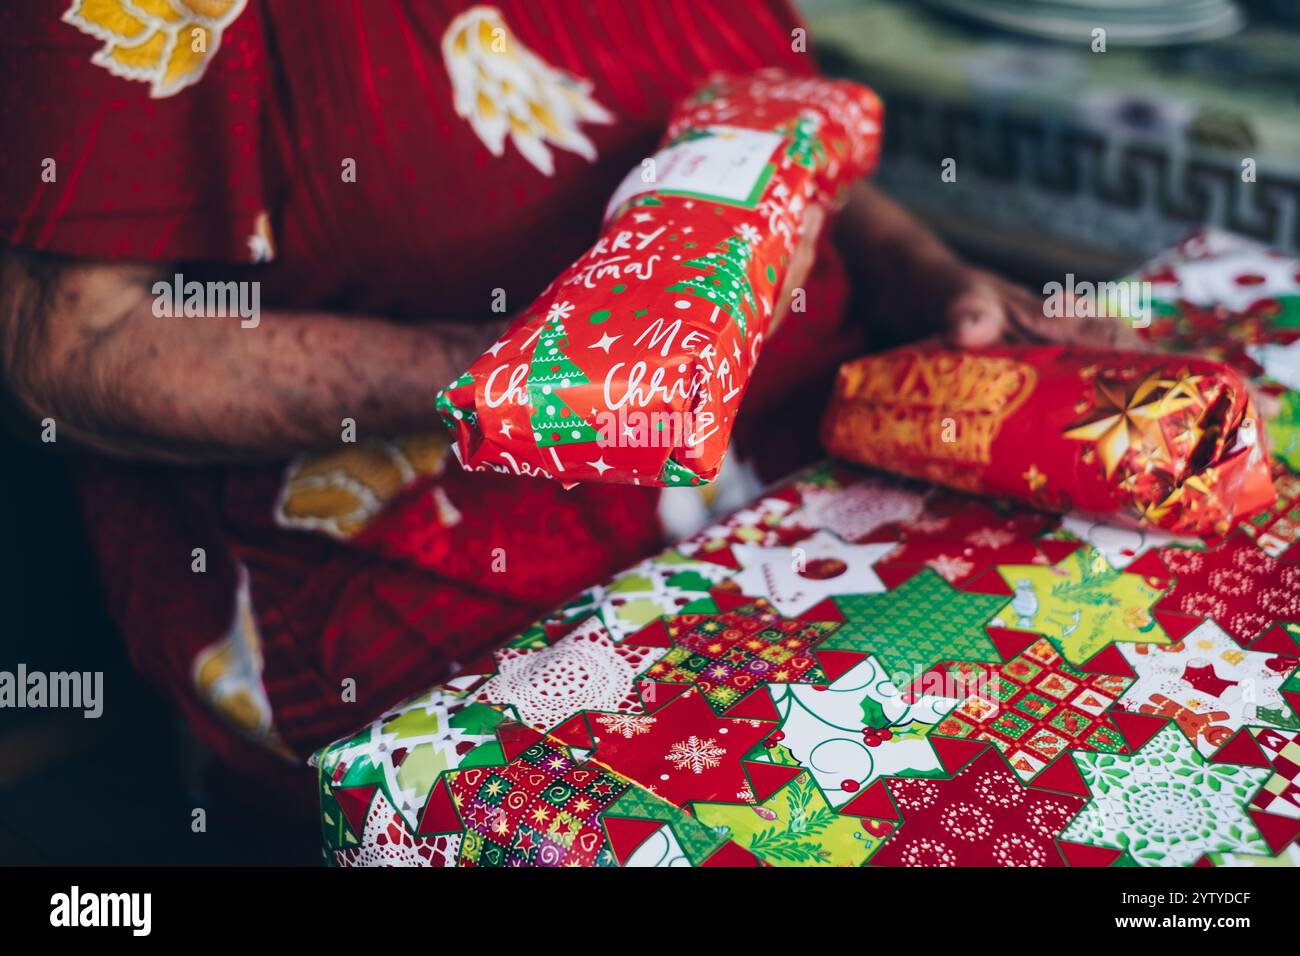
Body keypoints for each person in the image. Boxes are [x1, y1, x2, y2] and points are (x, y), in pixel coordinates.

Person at [0, 0, 1135, 782]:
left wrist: (935, 279)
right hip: (441, 559)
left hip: (811, 462)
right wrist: (537, 371)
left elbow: (781, 145)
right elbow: (75, 348)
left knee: (1098, 698)